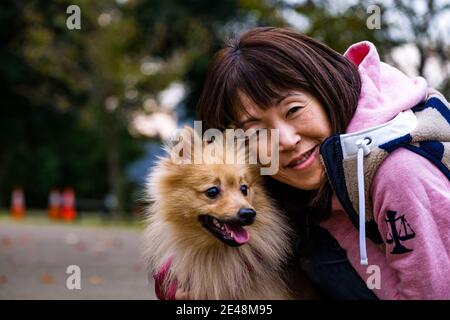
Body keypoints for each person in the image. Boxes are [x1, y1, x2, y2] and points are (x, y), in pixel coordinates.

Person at [156, 27, 450, 299]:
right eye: (257, 131)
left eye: (293, 109)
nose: (284, 139)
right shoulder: (277, 174)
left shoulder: (399, 173)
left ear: (325, 90)